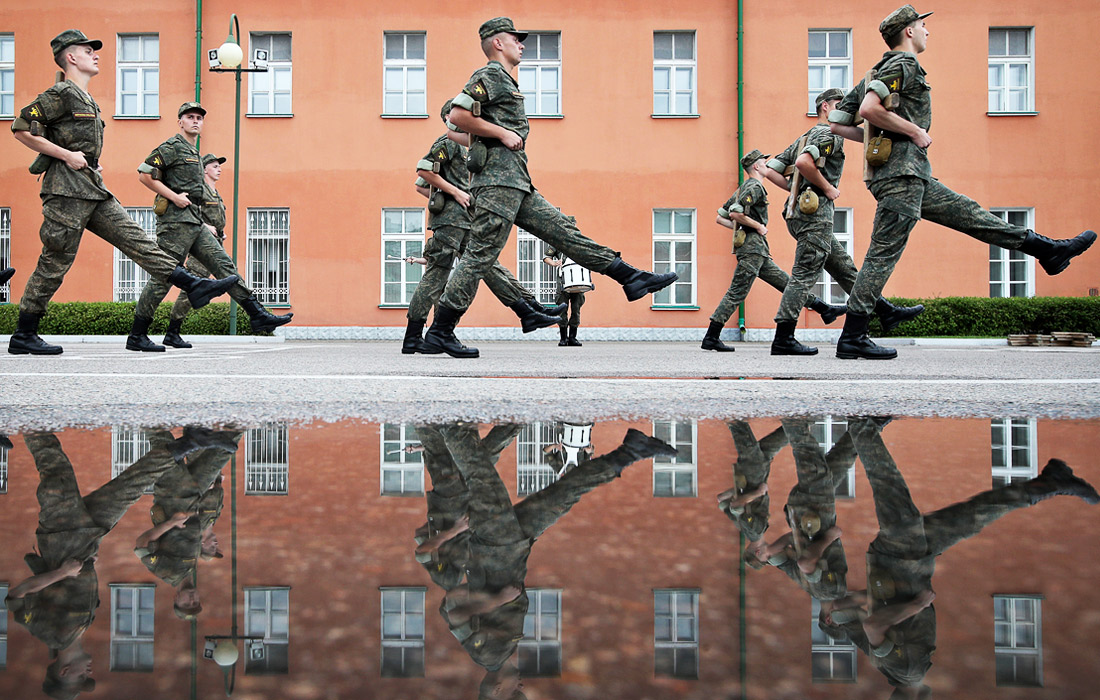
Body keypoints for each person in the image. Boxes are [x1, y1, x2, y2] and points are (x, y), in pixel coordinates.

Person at [829, 6, 1095, 360]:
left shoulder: (875, 71)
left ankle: (1048, 250)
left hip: (912, 175)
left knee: (972, 216)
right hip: (901, 177)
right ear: (908, 32)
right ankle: (853, 336)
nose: (927, 32)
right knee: (882, 254)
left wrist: (882, 141)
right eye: (922, 26)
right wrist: (913, 131)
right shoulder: (901, 65)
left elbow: (837, 122)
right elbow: (867, 111)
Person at [421, 18, 677, 358]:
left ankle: (631, 277)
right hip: (497, 184)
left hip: (517, 182)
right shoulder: (490, 76)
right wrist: (500, 134)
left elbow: (462, 130)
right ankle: (440, 331)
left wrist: (484, 135)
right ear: (498, 43)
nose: (522, 44)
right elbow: (456, 116)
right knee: (480, 256)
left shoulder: (504, 81)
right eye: (516, 39)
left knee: (565, 233)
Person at [826, 416, 1100, 695]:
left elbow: (873, 624)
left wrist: (916, 606)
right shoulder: (883, 666)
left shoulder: (908, 671)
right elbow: (844, 611)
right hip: (910, 558)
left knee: (888, 483)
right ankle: (1049, 482)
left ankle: (861, 426)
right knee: (974, 515)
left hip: (902, 556)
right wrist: (858, 607)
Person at [7, 30, 238, 356]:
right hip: (66, 192)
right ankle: (24, 333)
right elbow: (20, 127)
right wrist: (67, 155)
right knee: (55, 261)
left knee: (137, 240)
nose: (96, 55)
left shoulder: (87, 99)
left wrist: (90, 164)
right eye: (88, 51)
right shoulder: (61, 93)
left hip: (92, 188)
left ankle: (193, 285)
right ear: (70, 57)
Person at [5, 428, 234, 699]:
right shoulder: (80, 629)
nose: (88, 671)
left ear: (64, 671)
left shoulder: (52, 635)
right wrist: (87, 565)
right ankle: (185, 445)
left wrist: (61, 572)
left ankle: (29, 421)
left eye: (82, 676)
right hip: (89, 536)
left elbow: (15, 597)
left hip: (62, 531)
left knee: (54, 465)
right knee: (131, 488)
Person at [764, 89, 923, 355]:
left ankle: (886, 311)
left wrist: (800, 191)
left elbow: (771, 170)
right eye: (839, 105)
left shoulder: (804, 137)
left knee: (844, 269)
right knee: (803, 276)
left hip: (799, 216)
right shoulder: (829, 134)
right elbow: (804, 163)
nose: (844, 111)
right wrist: (825, 188)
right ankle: (783, 338)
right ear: (825, 107)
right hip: (816, 217)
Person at [126, 102, 293, 351]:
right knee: (163, 276)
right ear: (180, 121)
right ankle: (137, 334)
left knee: (224, 266)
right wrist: (173, 196)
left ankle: (257, 314)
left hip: (194, 220)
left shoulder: (195, 154)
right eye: (189, 117)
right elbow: (144, 174)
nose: (195, 121)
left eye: (199, 118)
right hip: (174, 222)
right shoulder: (171, 147)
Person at [404, 100, 563, 355]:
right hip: (451, 225)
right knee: (438, 276)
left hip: (466, 221)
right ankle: (414, 336)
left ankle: (529, 309)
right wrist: (455, 196)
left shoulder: (470, 145)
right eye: (458, 116)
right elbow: (422, 180)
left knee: (488, 265)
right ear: (448, 118)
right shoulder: (446, 143)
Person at [702, 149, 845, 352]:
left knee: (786, 283)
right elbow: (734, 213)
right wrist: (757, 227)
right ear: (756, 167)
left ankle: (823, 308)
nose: (766, 165)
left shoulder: (743, 188)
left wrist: (744, 228)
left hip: (756, 250)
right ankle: (711, 336)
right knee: (736, 292)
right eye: (763, 162)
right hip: (753, 251)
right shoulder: (754, 187)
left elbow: (721, 217)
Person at [160, 153, 231, 349]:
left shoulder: (215, 192)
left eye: (219, 166)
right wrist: (204, 227)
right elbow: (189, 212)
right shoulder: (198, 190)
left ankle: (255, 313)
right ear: (204, 169)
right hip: (201, 245)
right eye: (215, 166)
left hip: (215, 242)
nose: (219, 169)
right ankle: (172, 332)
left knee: (228, 278)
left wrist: (220, 233)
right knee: (191, 289)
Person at [542, 246, 587, 346]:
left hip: (578, 282)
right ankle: (563, 338)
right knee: (562, 310)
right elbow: (546, 257)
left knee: (576, 310)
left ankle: (572, 338)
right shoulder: (559, 243)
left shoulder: (579, 243)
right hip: (562, 283)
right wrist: (554, 263)